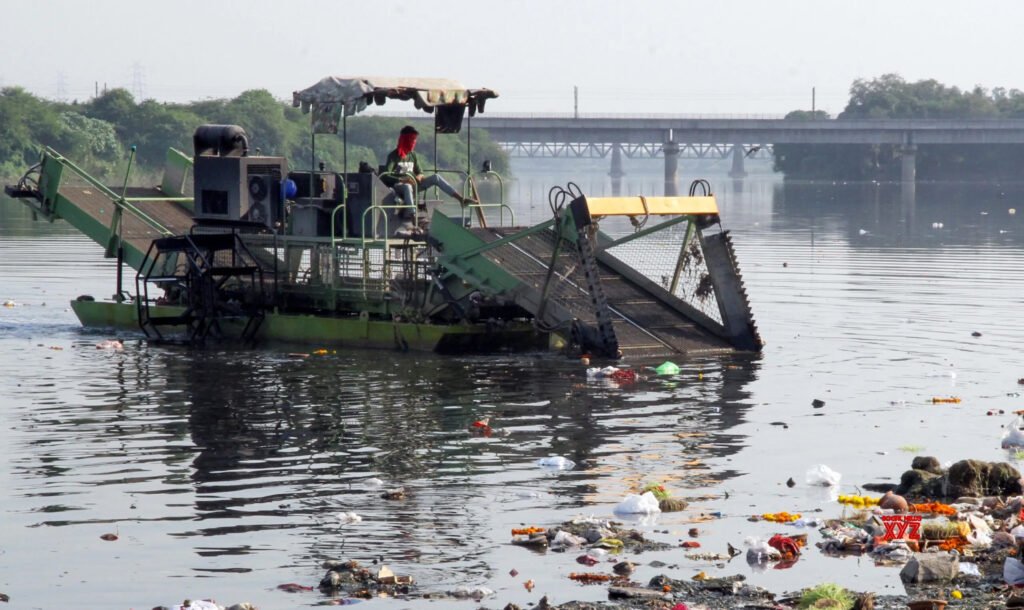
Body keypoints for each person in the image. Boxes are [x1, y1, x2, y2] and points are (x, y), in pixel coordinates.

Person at [380, 125, 475, 236]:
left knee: (436, 177)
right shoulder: (393, 156)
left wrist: (419, 176)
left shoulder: (413, 155)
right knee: (407, 187)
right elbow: (385, 175)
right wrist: (403, 179)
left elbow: (420, 172)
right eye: (412, 140)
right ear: (405, 140)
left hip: (415, 184)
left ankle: (461, 199)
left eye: (415, 140)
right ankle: (413, 218)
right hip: (399, 187)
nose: (414, 143)